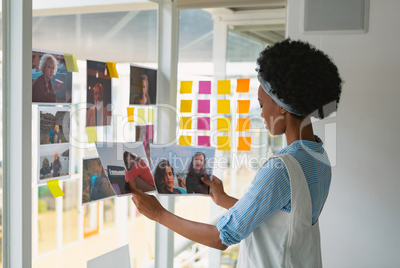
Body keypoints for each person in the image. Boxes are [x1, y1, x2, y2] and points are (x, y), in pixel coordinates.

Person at [129, 39, 342, 267]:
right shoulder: (318, 156)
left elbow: (221, 238)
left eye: (261, 105)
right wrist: (224, 200)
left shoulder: (281, 169)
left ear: (282, 105)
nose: (260, 115)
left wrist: (159, 214)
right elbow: (285, 216)